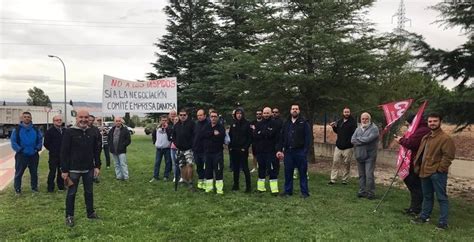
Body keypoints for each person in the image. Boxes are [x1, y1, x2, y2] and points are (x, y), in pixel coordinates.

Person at [411, 113, 455, 230]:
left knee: (441, 198)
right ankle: (424, 217)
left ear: (440, 122)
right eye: (430, 121)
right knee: (427, 196)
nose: (432, 123)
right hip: (424, 171)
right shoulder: (426, 137)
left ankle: (443, 222)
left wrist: (439, 169)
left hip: (437, 173)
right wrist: (417, 166)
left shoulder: (445, 138)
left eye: (435, 121)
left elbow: (448, 156)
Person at [61, 109, 101, 227]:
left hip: (88, 169)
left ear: (89, 119)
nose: (83, 120)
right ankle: (69, 216)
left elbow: (97, 150)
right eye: (81, 117)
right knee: (71, 194)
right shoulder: (69, 132)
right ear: (76, 118)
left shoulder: (93, 132)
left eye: (86, 117)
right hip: (73, 170)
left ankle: (90, 213)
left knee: (89, 192)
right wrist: (64, 170)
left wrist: (97, 166)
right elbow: (64, 152)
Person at [394, 114, 431, 216]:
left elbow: (412, 143)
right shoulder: (416, 129)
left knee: (415, 186)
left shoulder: (422, 130)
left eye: (407, 122)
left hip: (415, 162)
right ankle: (413, 207)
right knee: (413, 186)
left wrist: (401, 140)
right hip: (411, 161)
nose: (407, 124)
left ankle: (416, 209)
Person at [277, 104, 312, 198]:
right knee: (288, 172)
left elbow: (308, 138)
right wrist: (280, 150)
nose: (294, 110)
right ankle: (288, 191)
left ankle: (304, 193)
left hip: (300, 152)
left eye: (296, 109)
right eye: (293, 109)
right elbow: (282, 137)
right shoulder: (286, 123)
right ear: (290, 111)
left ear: (299, 111)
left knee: (302, 173)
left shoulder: (304, 122)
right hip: (288, 152)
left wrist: (305, 152)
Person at [10, 111, 43, 195]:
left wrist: (37, 149)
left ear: (31, 118)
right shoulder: (17, 130)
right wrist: (20, 150)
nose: (27, 118)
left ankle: (34, 188)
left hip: (33, 155)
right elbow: (13, 142)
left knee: (34, 173)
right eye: (25, 117)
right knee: (19, 173)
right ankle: (17, 189)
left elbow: (40, 140)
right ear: (22, 118)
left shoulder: (35, 129)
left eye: (28, 117)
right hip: (21, 155)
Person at [351, 112, 379, 200]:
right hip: (359, 155)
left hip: (370, 156)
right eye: (363, 119)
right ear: (360, 119)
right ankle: (362, 191)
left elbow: (369, 139)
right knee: (361, 175)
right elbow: (352, 140)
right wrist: (361, 140)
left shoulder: (374, 129)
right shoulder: (358, 128)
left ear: (369, 119)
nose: (364, 120)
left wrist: (358, 140)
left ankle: (371, 193)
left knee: (369, 175)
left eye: (366, 119)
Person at [252, 107, 280, 195]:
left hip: (271, 152)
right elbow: (256, 136)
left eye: (268, 113)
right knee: (261, 170)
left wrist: (278, 150)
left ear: (271, 113)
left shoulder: (275, 124)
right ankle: (261, 188)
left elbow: (277, 138)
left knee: (272, 170)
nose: (266, 115)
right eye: (264, 113)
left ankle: (274, 190)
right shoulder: (259, 124)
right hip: (260, 152)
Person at [328, 107, 357, 185]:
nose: (346, 113)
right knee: (335, 162)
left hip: (348, 147)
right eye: (345, 112)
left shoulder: (353, 122)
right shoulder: (340, 121)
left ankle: (344, 180)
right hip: (338, 146)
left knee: (346, 164)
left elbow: (354, 133)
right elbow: (337, 131)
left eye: (348, 112)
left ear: (350, 113)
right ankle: (333, 179)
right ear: (343, 113)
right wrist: (333, 126)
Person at [229, 108, 252, 193]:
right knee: (235, 168)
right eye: (237, 113)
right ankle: (236, 185)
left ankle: (248, 187)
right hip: (234, 149)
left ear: (243, 114)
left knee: (245, 168)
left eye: (240, 113)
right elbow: (230, 136)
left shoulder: (247, 124)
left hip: (243, 150)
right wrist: (230, 147)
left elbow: (250, 138)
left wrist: (245, 148)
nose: (239, 115)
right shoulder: (233, 124)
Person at [203, 110, 226, 194]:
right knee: (208, 170)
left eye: (215, 116)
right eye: (212, 116)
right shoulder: (206, 126)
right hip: (207, 153)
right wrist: (213, 133)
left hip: (217, 153)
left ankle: (219, 189)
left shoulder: (220, 127)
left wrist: (211, 136)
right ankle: (209, 188)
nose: (213, 118)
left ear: (217, 117)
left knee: (218, 171)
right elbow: (204, 135)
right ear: (209, 117)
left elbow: (220, 137)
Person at [172, 109, 195, 190]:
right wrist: (176, 144)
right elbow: (173, 136)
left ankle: (190, 181)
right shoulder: (176, 125)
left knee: (190, 165)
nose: (182, 116)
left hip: (189, 149)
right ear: (179, 115)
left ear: (187, 116)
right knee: (182, 166)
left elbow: (194, 135)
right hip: (179, 149)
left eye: (184, 115)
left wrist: (191, 144)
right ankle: (185, 180)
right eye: (181, 115)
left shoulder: (191, 124)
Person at [44, 114, 65, 192]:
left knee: (61, 172)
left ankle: (61, 186)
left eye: (60, 120)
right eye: (57, 120)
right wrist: (53, 150)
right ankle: (50, 188)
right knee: (52, 172)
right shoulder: (49, 131)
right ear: (53, 122)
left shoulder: (65, 130)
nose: (59, 121)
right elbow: (46, 143)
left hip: (63, 156)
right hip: (53, 156)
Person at [150, 115, 172, 182]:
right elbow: (153, 135)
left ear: (167, 121)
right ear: (160, 121)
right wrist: (155, 143)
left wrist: (167, 128)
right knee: (157, 162)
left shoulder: (170, 128)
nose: (164, 122)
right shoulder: (157, 128)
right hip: (159, 149)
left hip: (167, 148)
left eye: (165, 120)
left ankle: (166, 176)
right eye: (163, 120)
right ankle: (155, 176)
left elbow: (171, 136)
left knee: (168, 162)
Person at [193, 109, 208, 190]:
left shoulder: (208, 124)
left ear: (205, 115)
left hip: (205, 150)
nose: (199, 117)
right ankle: (200, 180)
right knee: (199, 167)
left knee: (206, 167)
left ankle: (206, 181)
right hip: (196, 150)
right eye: (198, 115)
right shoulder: (196, 124)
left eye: (201, 115)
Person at [88, 115, 102, 183]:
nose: (91, 121)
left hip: (96, 150)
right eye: (89, 120)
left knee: (97, 163)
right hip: (87, 150)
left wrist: (99, 147)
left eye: (92, 120)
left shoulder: (95, 129)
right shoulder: (84, 129)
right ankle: (87, 177)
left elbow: (99, 139)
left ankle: (95, 177)